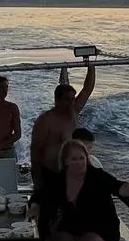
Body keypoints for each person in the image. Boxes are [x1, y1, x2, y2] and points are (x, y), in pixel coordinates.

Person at [30, 62, 96, 204]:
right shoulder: (45, 120)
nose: (71, 103)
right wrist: (38, 181)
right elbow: (35, 151)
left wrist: (91, 65)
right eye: (67, 100)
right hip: (50, 174)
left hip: (71, 174)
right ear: (57, 101)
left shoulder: (73, 112)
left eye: (73, 99)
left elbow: (88, 88)